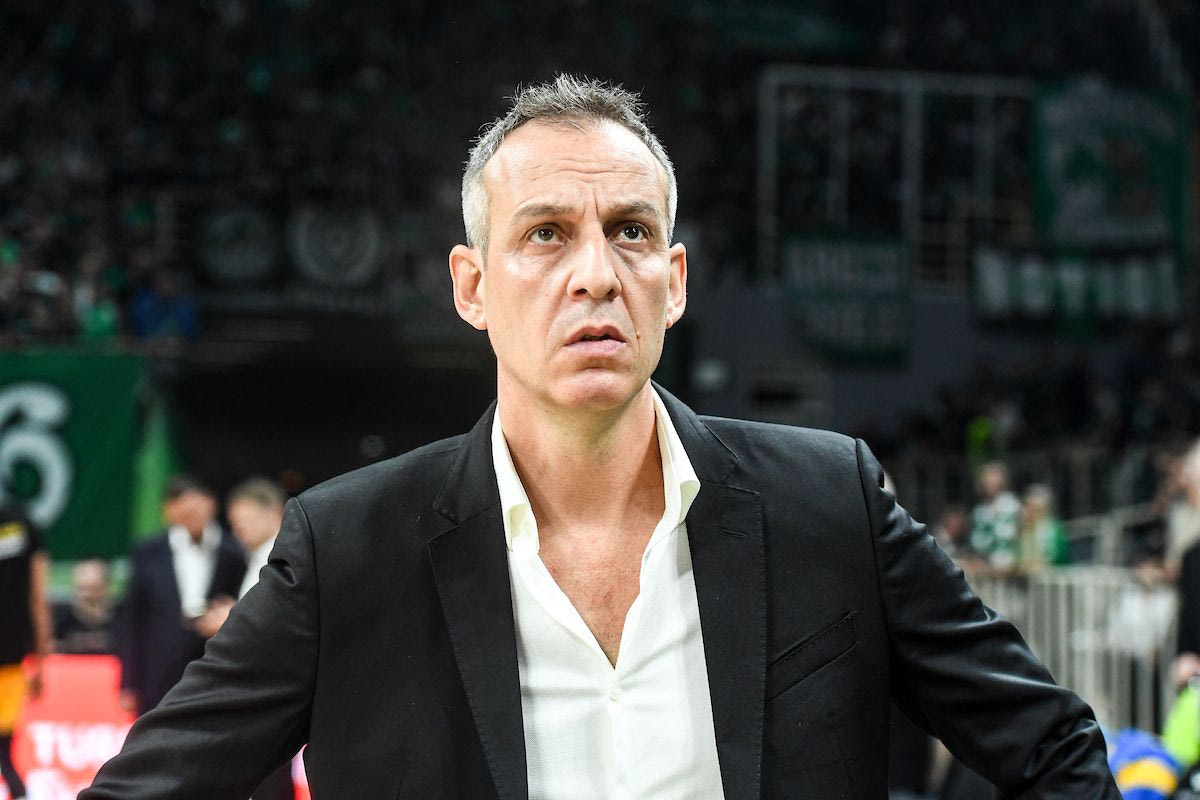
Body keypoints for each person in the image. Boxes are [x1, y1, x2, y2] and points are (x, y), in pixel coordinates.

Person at [84, 75, 1119, 798]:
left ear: (674, 282)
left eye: (630, 231)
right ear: (471, 287)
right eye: (546, 234)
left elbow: (1055, 747)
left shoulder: (828, 501)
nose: (595, 275)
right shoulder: (346, 547)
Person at [196, 477, 295, 800]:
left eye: (247, 521)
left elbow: (278, 619)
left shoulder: (284, 556)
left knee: (270, 773)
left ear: (274, 513)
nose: (239, 530)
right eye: (236, 523)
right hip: (261, 680)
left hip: (273, 681)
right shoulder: (260, 555)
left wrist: (230, 619)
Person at [116, 475, 245, 717]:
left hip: (213, 670)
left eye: (196, 507)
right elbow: (132, 619)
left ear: (211, 505)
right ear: (168, 511)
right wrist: (128, 682)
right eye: (183, 509)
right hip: (157, 674)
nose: (190, 515)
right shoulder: (147, 552)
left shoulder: (235, 554)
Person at [0, 503, 51, 800]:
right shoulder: (22, 522)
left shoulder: (22, 523)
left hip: (9, 662)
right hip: (11, 658)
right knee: (4, 749)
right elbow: (38, 597)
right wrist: (42, 663)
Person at [53, 558, 116, 655]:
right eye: (82, 589)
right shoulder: (60, 618)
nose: (87, 597)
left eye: (94, 590)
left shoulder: (121, 618)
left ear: (106, 587)